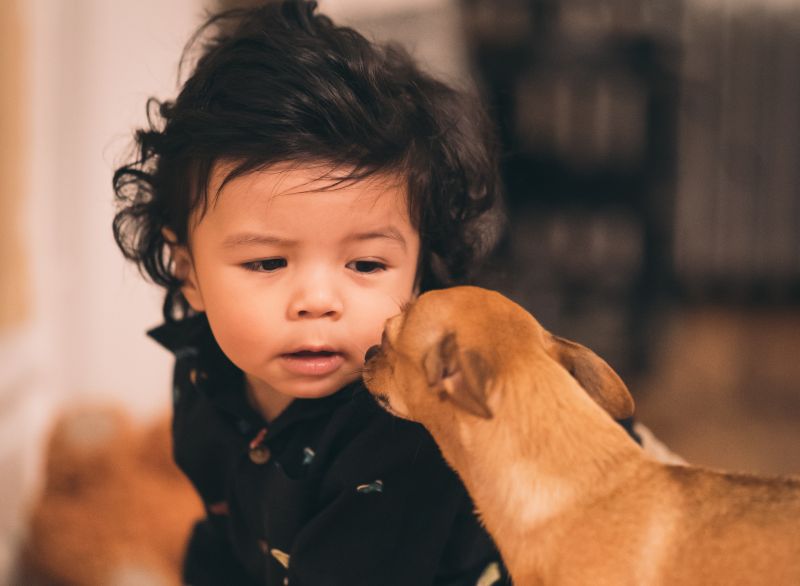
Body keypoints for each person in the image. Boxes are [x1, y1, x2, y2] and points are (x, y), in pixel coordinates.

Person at [112, 2, 637, 584]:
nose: (317, 300)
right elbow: (228, 529)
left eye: (364, 263)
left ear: (416, 273)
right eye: (266, 261)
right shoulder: (200, 373)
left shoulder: (409, 435)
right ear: (188, 272)